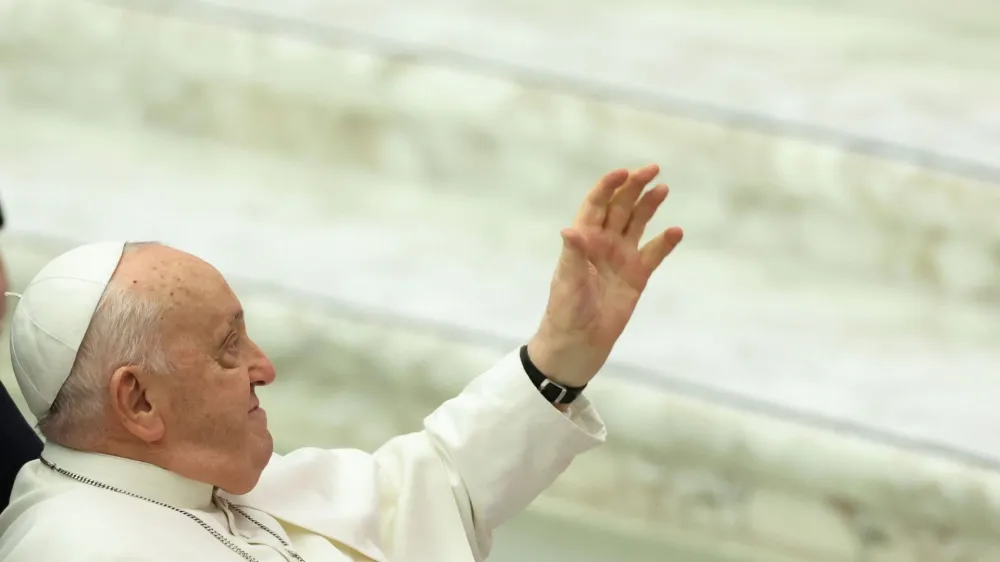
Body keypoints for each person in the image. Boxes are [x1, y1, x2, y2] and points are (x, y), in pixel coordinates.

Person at [0, 165, 683, 562]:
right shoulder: (81, 547)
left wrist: (559, 353)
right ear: (139, 402)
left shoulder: (201, 484)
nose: (264, 367)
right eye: (227, 347)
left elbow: (427, 488)